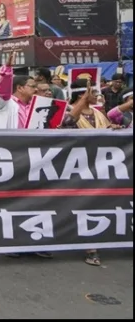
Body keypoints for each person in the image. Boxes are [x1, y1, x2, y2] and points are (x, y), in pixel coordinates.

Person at [60, 79, 122, 267]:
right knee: (81, 206)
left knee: (96, 205)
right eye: (93, 93)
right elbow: (68, 124)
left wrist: (113, 130)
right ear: (82, 94)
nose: (98, 95)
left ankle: (92, 245)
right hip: (76, 168)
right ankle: (88, 246)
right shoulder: (66, 111)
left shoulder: (97, 112)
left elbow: (104, 132)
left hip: (100, 168)